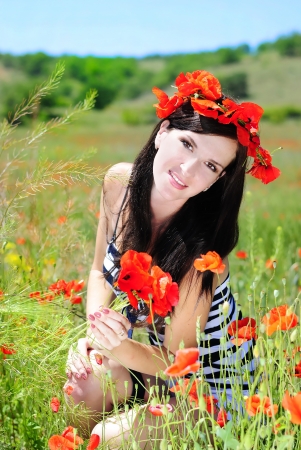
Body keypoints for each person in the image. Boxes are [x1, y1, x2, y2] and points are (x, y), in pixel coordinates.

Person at [64, 70, 280, 448]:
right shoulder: (118, 185)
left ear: (217, 181)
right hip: (144, 365)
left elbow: (179, 362)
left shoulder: (202, 259)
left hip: (207, 390)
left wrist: (116, 346)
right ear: (163, 132)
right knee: (85, 386)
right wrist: (96, 331)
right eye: (188, 144)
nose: (190, 170)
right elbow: (100, 269)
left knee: (106, 437)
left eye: (212, 166)